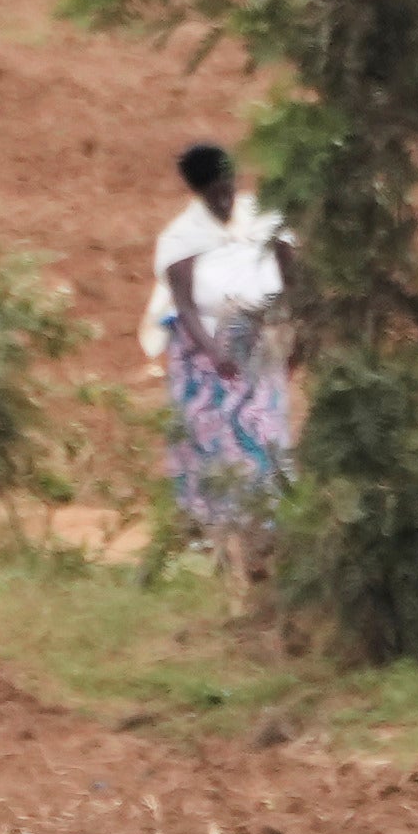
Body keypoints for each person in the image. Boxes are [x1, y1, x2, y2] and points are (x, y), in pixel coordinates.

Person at [146, 142, 295, 557]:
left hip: (260, 342)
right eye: (215, 193)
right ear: (199, 192)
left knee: (263, 430)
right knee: (206, 437)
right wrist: (213, 351)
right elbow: (185, 305)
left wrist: (295, 330)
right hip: (203, 355)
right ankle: (205, 533)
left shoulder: (264, 216)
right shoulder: (181, 237)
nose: (225, 198)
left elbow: (292, 271)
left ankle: (267, 530)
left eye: (229, 188)